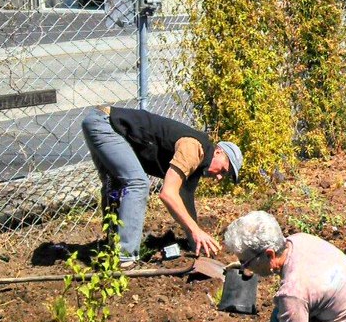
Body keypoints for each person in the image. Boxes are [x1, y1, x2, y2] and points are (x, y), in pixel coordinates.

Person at [80, 106, 242, 266]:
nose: (220, 177)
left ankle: (113, 247)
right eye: (223, 170)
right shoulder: (194, 149)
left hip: (104, 124)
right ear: (219, 152)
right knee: (138, 183)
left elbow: (185, 203)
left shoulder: (197, 167)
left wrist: (198, 245)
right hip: (106, 124)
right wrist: (196, 231)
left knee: (116, 186)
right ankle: (126, 258)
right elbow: (168, 194)